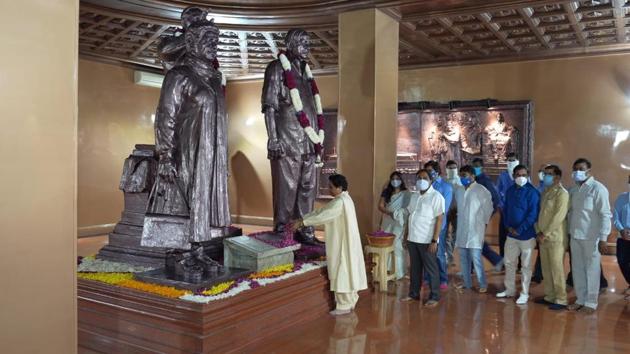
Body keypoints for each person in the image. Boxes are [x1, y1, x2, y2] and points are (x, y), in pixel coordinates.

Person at [262, 28, 321, 245]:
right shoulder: (277, 68)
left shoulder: (306, 73)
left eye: (309, 43)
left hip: (308, 143)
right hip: (287, 142)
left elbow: (314, 109)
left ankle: (305, 232)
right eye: (303, 43)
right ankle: (282, 233)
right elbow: (269, 106)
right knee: (286, 191)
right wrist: (273, 139)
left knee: (307, 191)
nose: (308, 47)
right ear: (291, 43)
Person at [293, 174, 367, 316]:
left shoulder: (339, 203)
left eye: (331, 187)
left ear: (339, 188)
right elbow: (322, 211)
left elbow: (323, 215)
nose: (329, 189)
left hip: (342, 244)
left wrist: (303, 223)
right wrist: (303, 218)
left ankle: (344, 305)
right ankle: (350, 300)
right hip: (346, 242)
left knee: (342, 271)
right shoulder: (345, 199)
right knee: (347, 270)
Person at [566, 158, 612, 314]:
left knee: (592, 270)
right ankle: (580, 299)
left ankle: (591, 303)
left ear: (588, 171)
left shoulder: (598, 189)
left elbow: (605, 214)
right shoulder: (573, 190)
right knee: (577, 269)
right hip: (575, 236)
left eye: (581, 168)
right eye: (575, 169)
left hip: (591, 238)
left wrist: (604, 238)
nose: (577, 171)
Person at [496, 165, 540, 305]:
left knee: (526, 266)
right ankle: (509, 290)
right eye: (518, 174)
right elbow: (506, 211)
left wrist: (520, 229)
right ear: (514, 176)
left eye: (524, 174)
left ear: (527, 176)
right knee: (509, 263)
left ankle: (524, 293)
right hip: (511, 235)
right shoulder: (510, 191)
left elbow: (533, 214)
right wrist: (508, 226)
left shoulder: (533, 192)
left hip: (526, 235)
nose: (521, 177)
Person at [401, 169, 445, 307]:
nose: (421, 180)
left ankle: (434, 296)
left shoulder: (436, 197)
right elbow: (410, 217)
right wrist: (406, 235)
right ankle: (413, 293)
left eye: (424, 178)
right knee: (415, 268)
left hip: (427, 240)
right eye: (419, 178)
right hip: (413, 238)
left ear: (431, 180)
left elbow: (439, 220)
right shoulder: (414, 196)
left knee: (431, 269)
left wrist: (434, 240)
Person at [534, 165, 570, 310]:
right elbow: (541, 214)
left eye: (549, 174)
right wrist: (538, 231)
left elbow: (558, 217)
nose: (546, 176)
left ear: (557, 177)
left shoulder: (562, 193)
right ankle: (549, 296)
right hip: (543, 237)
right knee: (546, 268)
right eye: (545, 173)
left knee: (556, 268)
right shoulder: (546, 191)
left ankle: (561, 299)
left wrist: (545, 233)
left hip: (555, 237)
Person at [454, 165, 494, 293]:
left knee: (476, 258)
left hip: (475, 230)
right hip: (462, 229)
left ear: (472, 176)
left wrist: (484, 224)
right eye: (461, 175)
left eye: (464, 175)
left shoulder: (481, 190)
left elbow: (489, 209)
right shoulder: (459, 190)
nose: (462, 178)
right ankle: (467, 283)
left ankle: (482, 283)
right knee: (463, 258)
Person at [471, 157, 504, 271]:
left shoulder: (485, 181)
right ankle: (473, 266)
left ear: (482, 167)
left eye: (477, 166)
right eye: (474, 166)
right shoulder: (474, 180)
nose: (475, 168)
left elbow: (495, 199)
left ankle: (496, 260)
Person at [424, 161, 452, 289]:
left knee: (439, 253)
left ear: (437, 171)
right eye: (427, 171)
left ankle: (443, 278)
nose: (429, 174)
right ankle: (427, 277)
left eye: (430, 171)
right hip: (425, 225)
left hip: (439, 224)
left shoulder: (446, 187)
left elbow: (443, 209)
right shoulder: (426, 185)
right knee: (426, 252)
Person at [378, 171, 410, 280]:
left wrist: (397, 214)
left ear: (401, 180)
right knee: (387, 244)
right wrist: (389, 213)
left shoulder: (406, 193)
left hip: (399, 222)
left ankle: (399, 272)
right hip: (387, 220)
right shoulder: (386, 192)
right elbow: (380, 206)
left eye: (397, 178)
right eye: (393, 179)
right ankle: (388, 269)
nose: (395, 181)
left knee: (397, 245)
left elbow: (408, 209)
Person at [496, 152, 520, 258]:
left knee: (518, 237)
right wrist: (501, 206)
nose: (511, 162)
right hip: (505, 211)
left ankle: (518, 263)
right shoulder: (503, 176)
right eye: (509, 160)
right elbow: (498, 192)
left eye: (513, 160)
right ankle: (503, 259)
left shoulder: (522, 176)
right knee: (503, 237)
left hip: (518, 212)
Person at [613, 174, 630, 300]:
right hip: (623, 236)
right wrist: (622, 229)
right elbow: (615, 217)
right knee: (622, 261)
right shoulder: (622, 198)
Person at [445, 160, 461, 265]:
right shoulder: (443, 181)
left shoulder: (460, 181)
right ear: (446, 169)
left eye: (454, 168)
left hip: (457, 212)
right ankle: (449, 257)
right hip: (446, 212)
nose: (452, 170)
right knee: (445, 234)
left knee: (456, 235)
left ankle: (451, 252)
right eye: (450, 168)